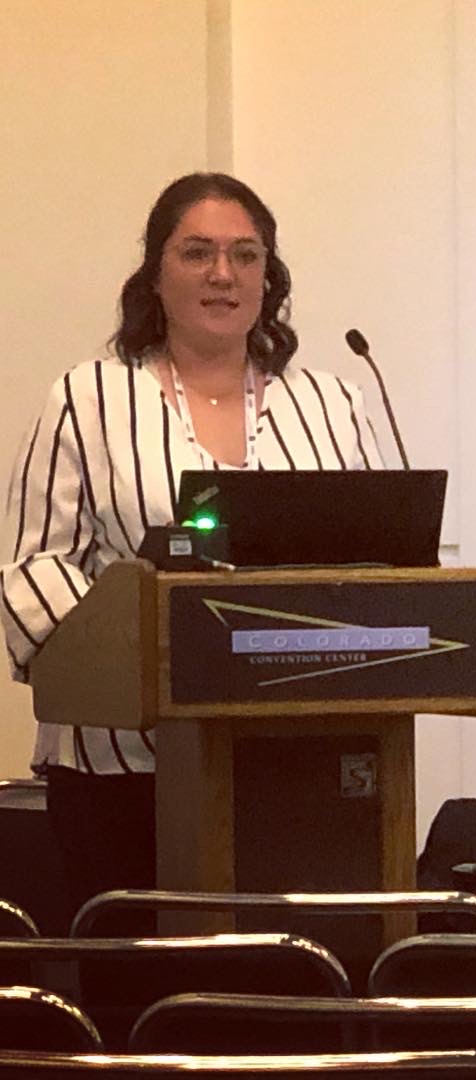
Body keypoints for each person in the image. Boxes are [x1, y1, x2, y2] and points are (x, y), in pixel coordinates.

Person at [1, 172, 384, 917]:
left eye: (246, 255)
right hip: (124, 767)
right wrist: (145, 660)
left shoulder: (333, 403)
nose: (223, 274)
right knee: (145, 977)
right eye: (197, 252)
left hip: (302, 757)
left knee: (294, 970)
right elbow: (33, 569)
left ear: (268, 277)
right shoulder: (89, 398)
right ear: (155, 274)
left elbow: (377, 556)